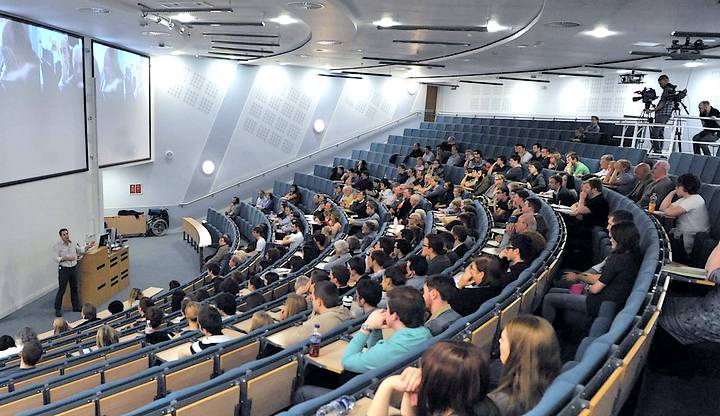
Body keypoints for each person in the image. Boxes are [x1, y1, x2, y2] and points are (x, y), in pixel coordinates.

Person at [542, 222, 642, 322]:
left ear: (620, 240)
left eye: (613, 238)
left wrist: (584, 287)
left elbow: (595, 289)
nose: (610, 240)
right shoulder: (633, 255)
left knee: (549, 298)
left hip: (596, 302)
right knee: (556, 291)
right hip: (604, 299)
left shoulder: (617, 260)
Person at [367, 341, 499, 416]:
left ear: (440, 384)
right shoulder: (479, 404)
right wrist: (410, 392)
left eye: (425, 372)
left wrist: (387, 384)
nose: (421, 375)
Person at [341, 287, 432, 373]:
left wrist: (366, 327)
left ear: (394, 316)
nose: (384, 312)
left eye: (387, 309)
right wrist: (376, 328)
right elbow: (373, 353)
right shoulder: (425, 333)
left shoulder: (392, 348)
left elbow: (347, 361)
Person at [489, 315, 561, 415]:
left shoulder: (499, 403)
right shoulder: (553, 383)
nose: (499, 341)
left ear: (517, 352)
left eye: (503, 339)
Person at [660, 241, 720, 344]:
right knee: (663, 304)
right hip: (705, 306)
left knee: (656, 316)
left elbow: (711, 271)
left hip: (710, 318)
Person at [272, 281, 353, 346]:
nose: (311, 299)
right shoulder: (346, 313)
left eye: (313, 297)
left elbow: (285, 341)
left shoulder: (315, 325)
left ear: (319, 302)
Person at [659, 173, 710, 265]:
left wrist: (672, 196)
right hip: (681, 236)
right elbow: (662, 208)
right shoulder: (685, 199)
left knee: (660, 246)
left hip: (689, 238)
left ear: (683, 187)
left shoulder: (696, 199)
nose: (676, 188)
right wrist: (672, 193)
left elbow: (669, 212)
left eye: (677, 186)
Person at [54, 228, 95, 317]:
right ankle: (57, 309)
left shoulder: (72, 243)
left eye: (67, 234)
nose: (66, 236)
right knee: (62, 289)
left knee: (74, 288)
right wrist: (65, 258)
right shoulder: (57, 246)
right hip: (64, 269)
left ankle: (75, 306)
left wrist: (88, 247)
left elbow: (79, 250)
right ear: (61, 236)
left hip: (73, 268)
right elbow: (55, 258)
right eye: (64, 234)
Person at [650, 74, 676, 153]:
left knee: (655, 132)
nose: (660, 86)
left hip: (663, 114)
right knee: (660, 132)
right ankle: (659, 150)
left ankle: (657, 150)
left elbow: (663, 103)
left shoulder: (667, 90)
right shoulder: (670, 90)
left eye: (661, 84)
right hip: (663, 114)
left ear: (666, 81)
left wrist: (652, 110)